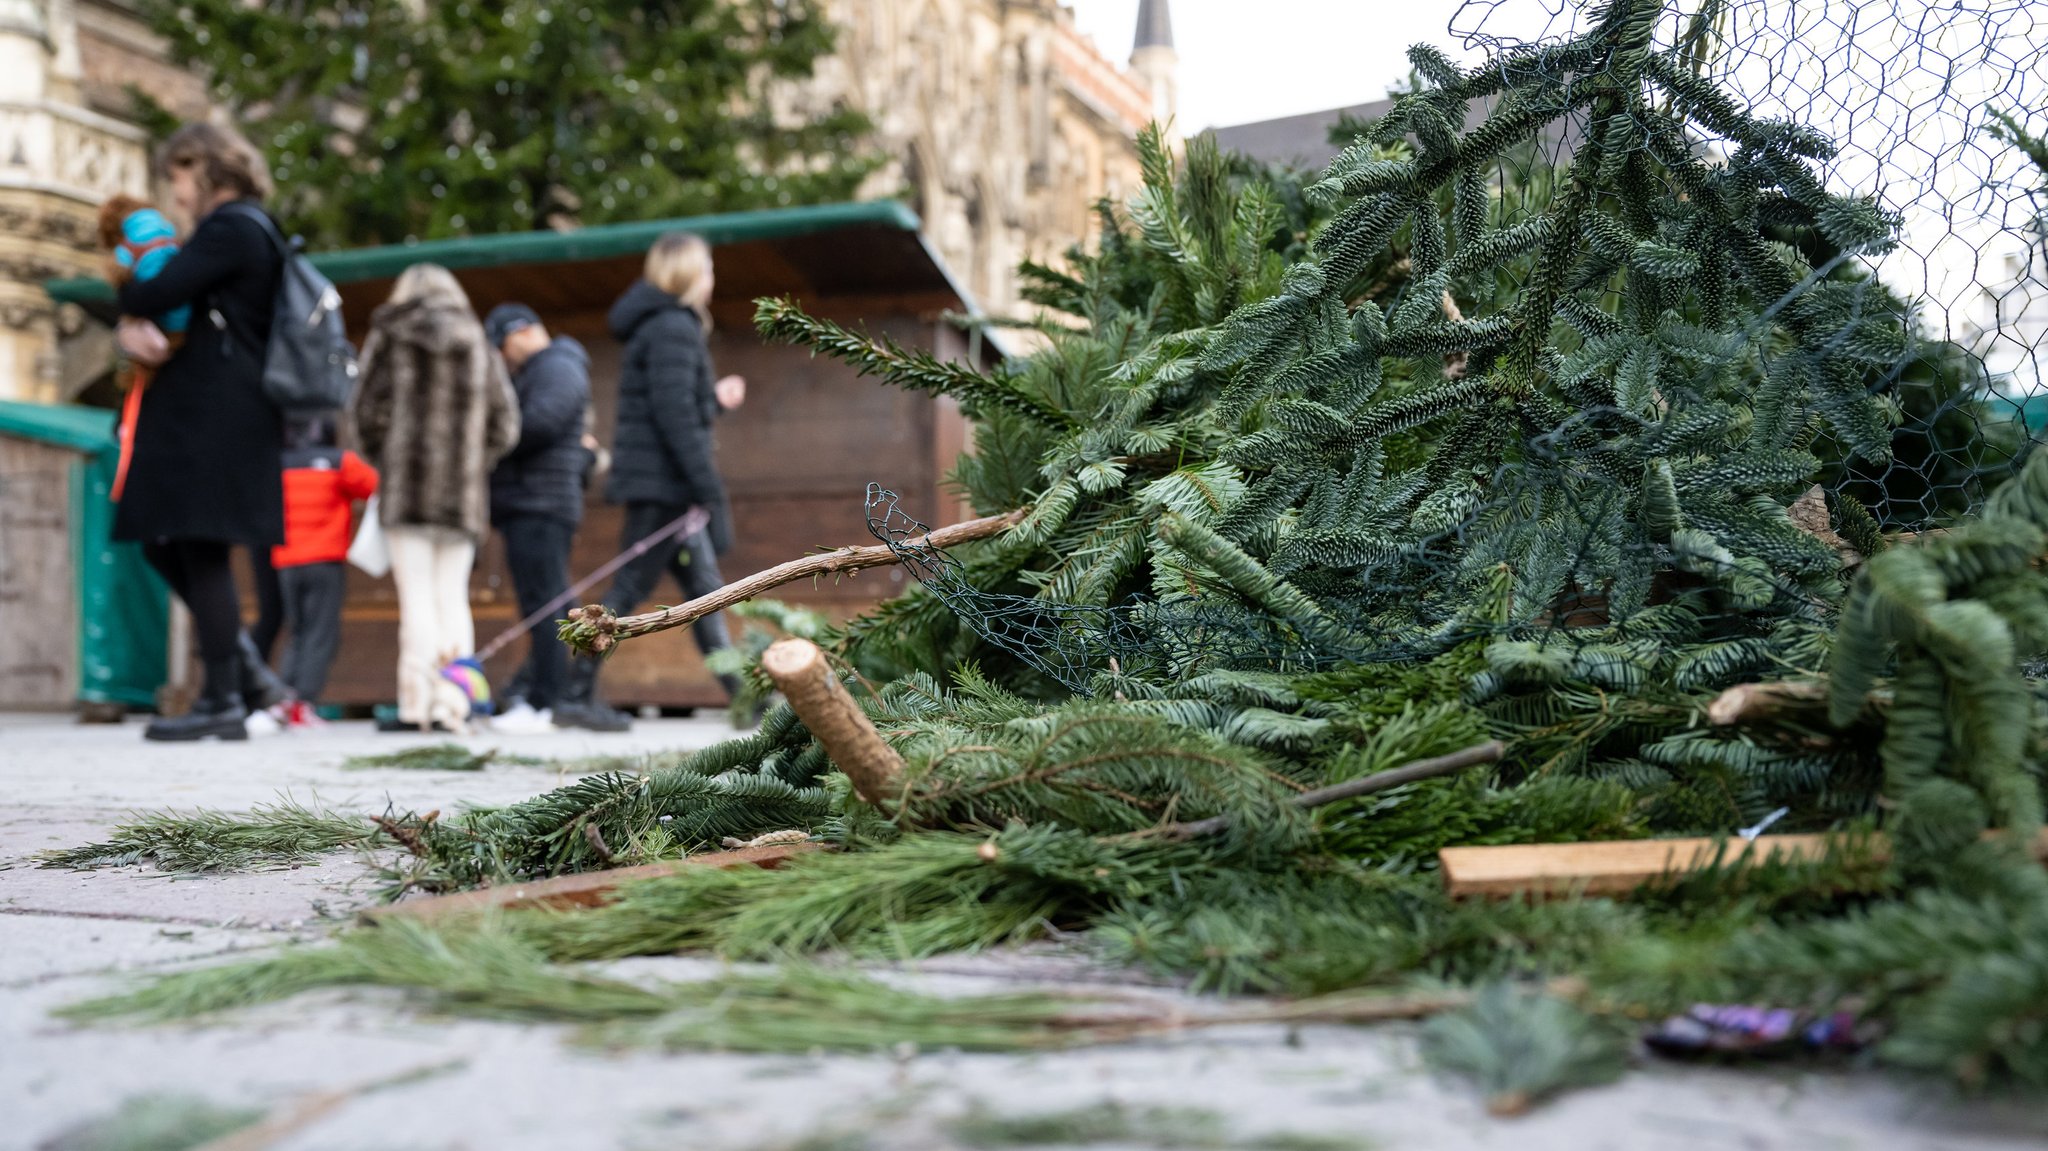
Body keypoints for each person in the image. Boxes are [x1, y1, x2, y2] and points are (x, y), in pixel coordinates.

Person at [111, 122, 293, 742]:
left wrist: (126, 280)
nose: (176, 194)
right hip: (225, 409)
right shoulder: (251, 228)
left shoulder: (232, 228)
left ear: (205, 167)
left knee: (199, 546)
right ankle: (238, 678)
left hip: (215, 411)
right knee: (170, 541)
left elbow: (154, 289)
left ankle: (221, 697)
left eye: (179, 177)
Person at [560, 232, 746, 732]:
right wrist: (709, 488)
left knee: (706, 591)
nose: (712, 277)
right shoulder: (672, 327)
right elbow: (674, 418)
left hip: (666, 484)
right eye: (707, 267)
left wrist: (713, 399)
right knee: (630, 588)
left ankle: (742, 698)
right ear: (686, 273)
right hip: (664, 488)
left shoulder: (664, 326)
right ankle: (574, 695)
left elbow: (676, 403)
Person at [348, 264, 520, 733]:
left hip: (407, 492)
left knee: (417, 598)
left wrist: (388, 456)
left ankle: (418, 706)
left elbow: (363, 412)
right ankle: (454, 704)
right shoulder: (477, 338)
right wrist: (470, 460)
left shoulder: (390, 332)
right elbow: (506, 425)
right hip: (462, 496)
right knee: (453, 598)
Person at [482, 303, 593, 733]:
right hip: (530, 502)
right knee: (543, 602)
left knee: (545, 604)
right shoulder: (543, 369)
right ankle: (540, 696)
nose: (504, 357)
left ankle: (546, 702)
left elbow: (542, 423)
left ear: (522, 332)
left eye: (503, 346)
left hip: (541, 503)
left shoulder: (558, 366)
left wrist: (494, 431)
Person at [271, 414, 378, 727]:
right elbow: (374, 486)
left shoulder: (281, 463)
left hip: (286, 560)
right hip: (324, 558)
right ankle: (303, 702)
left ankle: (282, 699)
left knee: (297, 631)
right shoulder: (338, 461)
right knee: (321, 633)